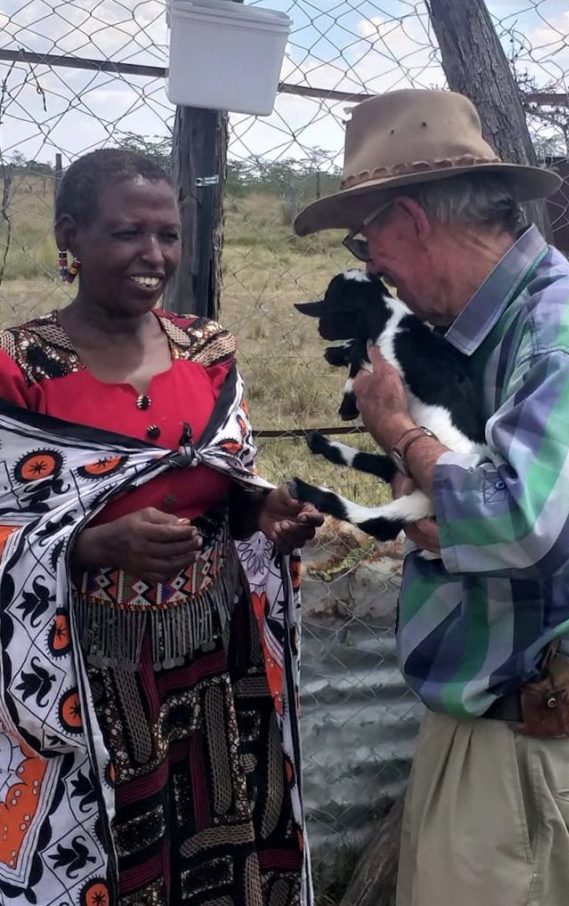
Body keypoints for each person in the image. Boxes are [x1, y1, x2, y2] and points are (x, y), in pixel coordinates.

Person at [294, 89, 569, 906]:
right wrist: (435, 500)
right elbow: (459, 515)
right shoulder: (484, 332)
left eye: (368, 235)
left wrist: (399, 434)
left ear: (413, 221)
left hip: (518, 737)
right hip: (489, 721)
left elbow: (522, 525)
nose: (370, 259)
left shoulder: (554, 332)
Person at [0, 148, 323, 906]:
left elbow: (226, 481)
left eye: (168, 235)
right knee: (117, 840)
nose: (154, 256)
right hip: (87, 663)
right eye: (127, 234)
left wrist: (264, 507)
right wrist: (90, 544)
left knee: (228, 817)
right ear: (69, 238)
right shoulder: (21, 367)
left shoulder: (206, 351)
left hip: (216, 650)